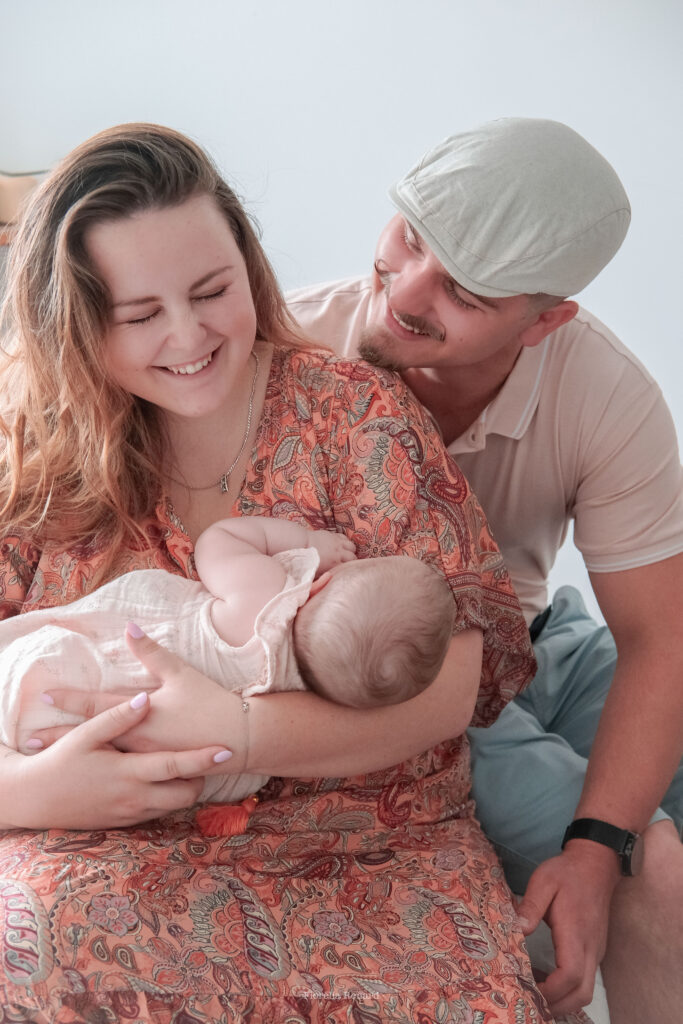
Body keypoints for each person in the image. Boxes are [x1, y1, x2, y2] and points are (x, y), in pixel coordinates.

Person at [0, 123, 564, 1024]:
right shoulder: (28, 453)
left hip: (374, 845)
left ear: (247, 265)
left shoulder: (354, 416)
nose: (188, 336)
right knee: (27, 943)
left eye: (212, 291)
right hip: (100, 847)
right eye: (139, 315)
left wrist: (241, 732)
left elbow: (450, 687)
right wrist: (22, 793)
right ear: (72, 322)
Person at [287, 117, 683, 1021]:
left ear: (545, 320)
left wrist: (586, 850)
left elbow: (659, 637)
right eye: (410, 238)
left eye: (463, 289)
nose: (406, 292)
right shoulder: (291, 350)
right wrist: (601, 845)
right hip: (428, 673)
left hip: (552, 637)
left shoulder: (609, 397)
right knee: (646, 858)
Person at [1, 515, 456, 811]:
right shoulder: (298, 706)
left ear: (317, 586)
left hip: (59, 675)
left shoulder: (265, 599)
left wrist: (308, 540)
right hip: (97, 766)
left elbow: (219, 539)